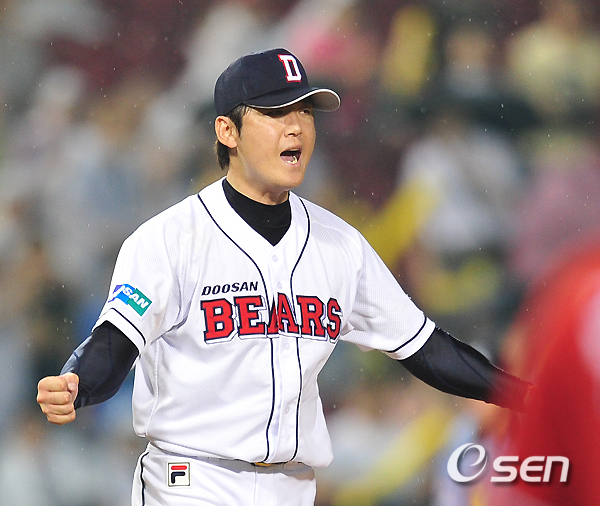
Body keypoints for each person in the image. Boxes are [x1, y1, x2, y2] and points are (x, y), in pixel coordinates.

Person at [37, 48, 531, 506]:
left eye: (305, 112)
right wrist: (77, 383)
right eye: (276, 113)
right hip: (192, 482)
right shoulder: (170, 239)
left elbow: (424, 346)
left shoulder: (340, 245)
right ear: (227, 132)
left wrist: (523, 394)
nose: (296, 127)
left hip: (292, 487)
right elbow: (114, 343)